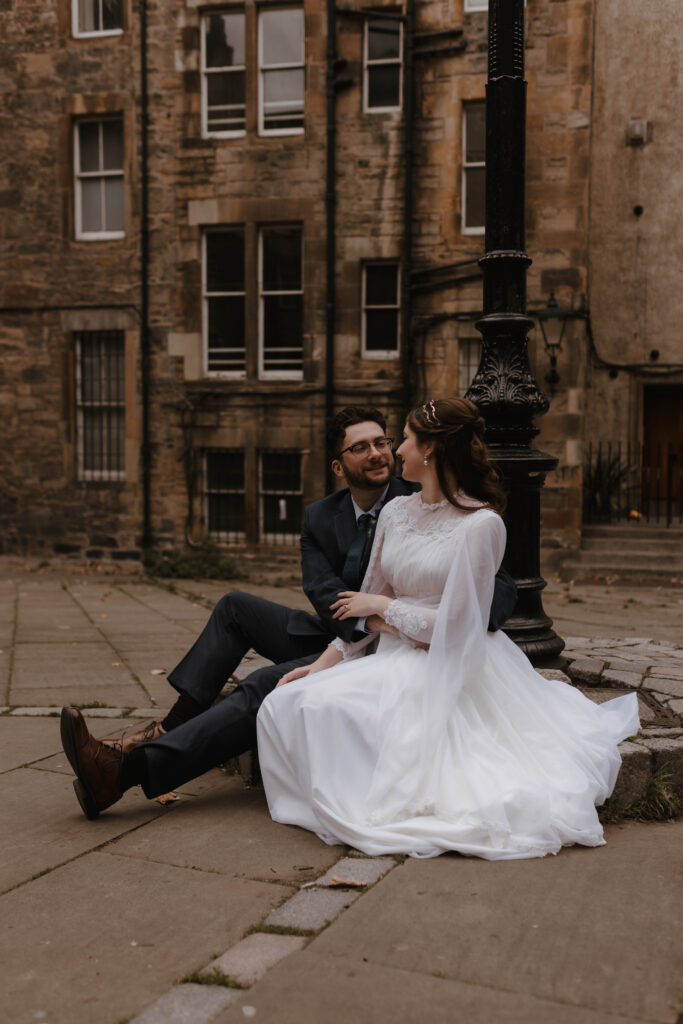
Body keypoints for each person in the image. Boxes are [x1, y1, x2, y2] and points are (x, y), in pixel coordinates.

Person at [59, 405, 518, 819]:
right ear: (339, 466)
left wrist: (393, 616)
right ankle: (169, 729)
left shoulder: (438, 500)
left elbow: (491, 596)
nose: (382, 453)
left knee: (264, 684)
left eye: (384, 441)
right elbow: (324, 592)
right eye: (362, 447)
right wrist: (367, 620)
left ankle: (124, 770)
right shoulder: (326, 516)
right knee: (235, 607)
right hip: (342, 633)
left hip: (403, 645)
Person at [256, 398, 640, 860]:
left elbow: (457, 630)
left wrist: (384, 608)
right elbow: (363, 614)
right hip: (393, 656)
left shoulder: (482, 525)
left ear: (431, 449)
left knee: (344, 718)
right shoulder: (395, 512)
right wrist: (320, 665)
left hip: (450, 665)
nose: (396, 450)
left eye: (405, 439)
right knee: (290, 701)